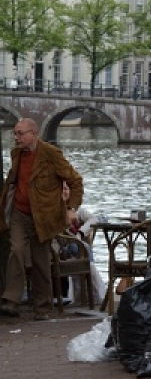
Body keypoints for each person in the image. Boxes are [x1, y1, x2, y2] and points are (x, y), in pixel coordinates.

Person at [0, 118, 83, 320]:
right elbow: (13, 181)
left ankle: (42, 307)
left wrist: (71, 208)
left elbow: (75, 180)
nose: (16, 137)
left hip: (43, 216)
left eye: (20, 133)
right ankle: (11, 301)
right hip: (20, 212)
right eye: (15, 133)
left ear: (33, 134)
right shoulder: (17, 154)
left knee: (40, 262)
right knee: (17, 251)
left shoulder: (50, 154)